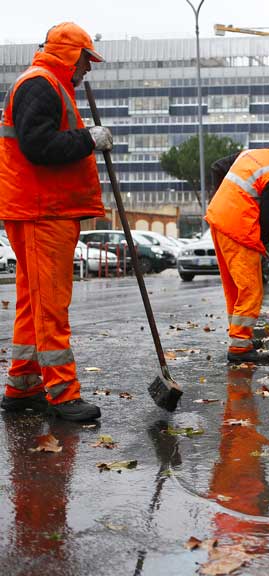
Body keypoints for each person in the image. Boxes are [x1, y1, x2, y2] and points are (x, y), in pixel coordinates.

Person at [0, 22, 112, 421]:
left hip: (41, 210)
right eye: (86, 59)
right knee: (50, 305)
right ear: (70, 54)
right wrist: (89, 140)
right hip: (40, 212)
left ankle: (23, 387)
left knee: (35, 303)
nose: (89, 70)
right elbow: (39, 147)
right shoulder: (41, 85)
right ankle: (63, 393)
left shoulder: (47, 85)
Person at [205, 135, 269, 364]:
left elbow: (218, 167)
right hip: (239, 230)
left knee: (235, 288)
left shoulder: (250, 155)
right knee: (251, 289)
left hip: (219, 221)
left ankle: (240, 338)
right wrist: (262, 242)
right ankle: (239, 348)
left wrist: (221, 200)